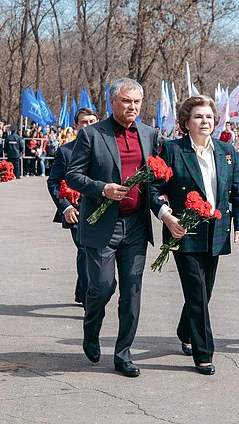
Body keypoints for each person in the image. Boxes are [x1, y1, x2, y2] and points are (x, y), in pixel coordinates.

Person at [65, 78, 159, 378]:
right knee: (102, 287)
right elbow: (73, 175)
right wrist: (102, 189)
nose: (132, 107)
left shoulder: (150, 134)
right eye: (126, 101)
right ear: (112, 102)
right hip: (101, 225)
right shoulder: (92, 135)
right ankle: (91, 331)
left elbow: (160, 175)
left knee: (132, 292)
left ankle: (123, 354)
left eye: (137, 102)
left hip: (136, 226)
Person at [149, 95, 239, 375]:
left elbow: (237, 193)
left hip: (216, 231)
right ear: (185, 122)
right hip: (183, 230)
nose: (204, 121)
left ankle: (185, 330)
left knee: (204, 293)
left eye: (208, 117)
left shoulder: (227, 151)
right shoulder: (172, 150)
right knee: (195, 292)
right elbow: (153, 190)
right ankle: (204, 353)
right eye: (198, 117)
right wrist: (166, 216)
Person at [47, 108, 98, 306]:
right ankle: (88, 299)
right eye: (83, 122)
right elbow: (53, 182)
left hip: (102, 209)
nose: (88, 126)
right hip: (76, 211)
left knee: (94, 251)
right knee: (85, 250)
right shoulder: (66, 151)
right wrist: (66, 207)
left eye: (92, 121)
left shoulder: (106, 148)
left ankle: (81, 290)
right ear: (75, 126)